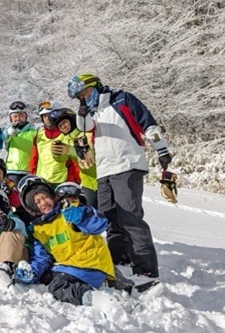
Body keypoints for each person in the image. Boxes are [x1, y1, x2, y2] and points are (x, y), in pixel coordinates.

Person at [67, 74, 173, 278]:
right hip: (104, 169)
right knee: (108, 215)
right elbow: (83, 127)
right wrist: (81, 110)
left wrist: (161, 150)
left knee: (129, 216)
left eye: (86, 92)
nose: (84, 97)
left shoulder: (122, 99)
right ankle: (119, 258)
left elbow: (148, 123)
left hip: (128, 163)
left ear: (96, 86)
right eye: (80, 96)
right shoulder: (90, 113)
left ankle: (145, 268)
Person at [15, 175, 134, 317]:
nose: (43, 203)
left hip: (90, 263)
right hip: (71, 266)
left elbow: (99, 224)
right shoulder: (38, 230)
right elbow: (41, 257)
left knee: (56, 287)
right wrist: (32, 273)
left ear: (52, 196)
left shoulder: (69, 210)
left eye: (44, 197)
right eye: (37, 202)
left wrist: (80, 217)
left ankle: (95, 298)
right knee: (46, 276)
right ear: (33, 208)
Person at [49, 107, 98, 208]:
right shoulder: (64, 138)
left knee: (109, 212)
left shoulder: (86, 131)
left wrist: (69, 150)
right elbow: (62, 161)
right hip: (87, 182)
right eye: (60, 126)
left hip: (101, 179)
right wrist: (57, 154)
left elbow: (90, 160)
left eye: (65, 122)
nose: (63, 126)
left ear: (71, 119)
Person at [30, 101, 79, 186]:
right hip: (42, 180)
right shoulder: (39, 134)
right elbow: (35, 157)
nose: (47, 118)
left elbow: (74, 159)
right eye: (44, 116)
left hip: (64, 179)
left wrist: (75, 179)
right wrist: (32, 175)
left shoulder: (66, 133)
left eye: (49, 115)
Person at [4, 101, 36, 185]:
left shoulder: (33, 132)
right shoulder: (9, 131)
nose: (18, 118)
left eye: (21, 116)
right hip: (12, 170)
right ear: (11, 118)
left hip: (29, 170)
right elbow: (3, 139)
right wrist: (8, 132)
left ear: (26, 117)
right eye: (15, 116)